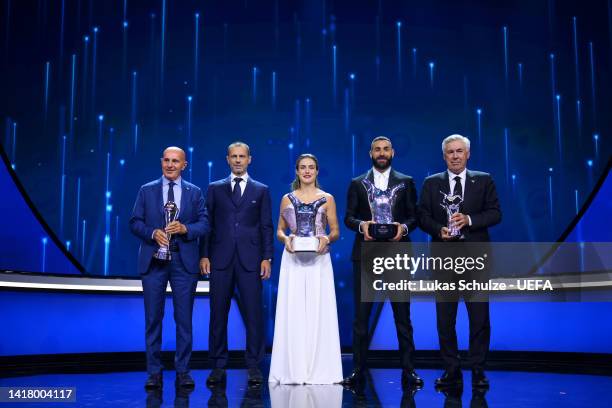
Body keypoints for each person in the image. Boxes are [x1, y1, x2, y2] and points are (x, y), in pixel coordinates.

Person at [418, 134, 501, 389]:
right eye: (450, 152)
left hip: (476, 260)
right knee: (445, 319)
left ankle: (478, 370)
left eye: (459, 151)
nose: (455, 156)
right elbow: (422, 215)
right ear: (444, 156)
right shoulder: (431, 183)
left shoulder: (483, 179)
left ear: (468, 154)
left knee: (479, 318)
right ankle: (451, 370)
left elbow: (495, 213)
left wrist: (470, 220)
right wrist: (437, 229)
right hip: (444, 260)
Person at [343, 136, 423, 388]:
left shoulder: (406, 182)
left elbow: (414, 217)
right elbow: (348, 218)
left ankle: (409, 371)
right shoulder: (357, 183)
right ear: (370, 153)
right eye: (377, 149)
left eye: (385, 149)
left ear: (393, 153)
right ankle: (358, 371)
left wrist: (403, 228)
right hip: (366, 254)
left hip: (397, 255)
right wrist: (362, 225)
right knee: (361, 318)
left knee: (402, 316)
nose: (381, 153)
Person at [129, 146, 209, 390]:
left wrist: (186, 229)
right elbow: (134, 222)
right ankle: (154, 372)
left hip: (184, 263)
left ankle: (183, 371)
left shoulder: (194, 192)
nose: (170, 165)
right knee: (153, 318)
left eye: (176, 161)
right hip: (154, 262)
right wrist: (152, 232)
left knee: (183, 320)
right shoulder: (147, 190)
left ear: (184, 165)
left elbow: (205, 224)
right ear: (161, 162)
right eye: (167, 160)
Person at [200, 141, 274, 386]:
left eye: (242, 156)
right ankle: (218, 366)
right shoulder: (214, 188)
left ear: (249, 159)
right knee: (218, 315)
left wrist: (267, 257)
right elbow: (207, 225)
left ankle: (254, 366)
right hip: (220, 260)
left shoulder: (261, 190)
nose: (238, 160)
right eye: (234, 156)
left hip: (251, 261)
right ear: (228, 159)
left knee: (254, 316)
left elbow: (266, 226)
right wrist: (204, 255)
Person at [269, 153, 343, 384]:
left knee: (319, 309)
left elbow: (336, 231)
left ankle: (321, 369)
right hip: (293, 260)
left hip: (319, 260)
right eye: (303, 167)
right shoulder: (286, 198)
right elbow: (280, 230)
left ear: (317, 171)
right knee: (294, 310)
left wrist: (327, 240)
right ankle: (293, 369)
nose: (307, 171)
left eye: (311, 167)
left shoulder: (327, 198)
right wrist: (285, 239)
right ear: (297, 171)